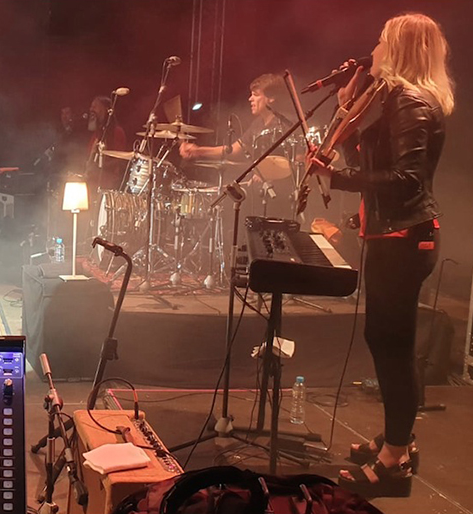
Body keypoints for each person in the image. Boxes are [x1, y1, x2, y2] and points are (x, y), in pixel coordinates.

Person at [311, 12, 453, 497]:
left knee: (392, 344)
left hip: (405, 238)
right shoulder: (396, 99)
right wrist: (348, 112)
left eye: (381, 41)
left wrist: (335, 178)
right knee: (388, 341)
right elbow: (375, 163)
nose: (373, 48)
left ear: (398, 49)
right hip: (393, 234)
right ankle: (400, 439)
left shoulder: (410, 102)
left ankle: (394, 461)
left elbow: (405, 180)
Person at [179, 73, 297, 218]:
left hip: (282, 200)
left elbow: (299, 160)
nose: (250, 99)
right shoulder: (257, 124)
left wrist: (271, 173)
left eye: (255, 95)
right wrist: (198, 151)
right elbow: (234, 149)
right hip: (259, 197)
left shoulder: (288, 124)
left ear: (271, 98)